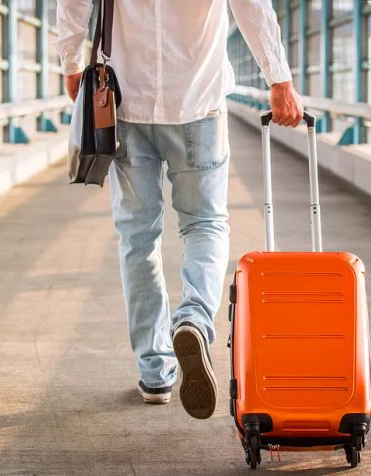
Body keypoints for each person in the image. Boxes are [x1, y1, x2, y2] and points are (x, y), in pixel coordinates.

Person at [56, 0, 302, 420]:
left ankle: (155, 372)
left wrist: (72, 63)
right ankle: (194, 320)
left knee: (137, 237)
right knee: (205, 224)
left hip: (125, 102)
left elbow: (74, 4)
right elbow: (251, 6)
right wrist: (278, 78)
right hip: (198, 101)